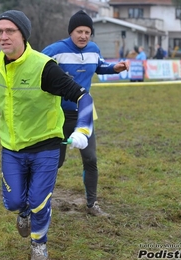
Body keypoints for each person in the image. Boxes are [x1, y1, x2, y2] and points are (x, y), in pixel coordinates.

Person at [0, 10, 94, 260]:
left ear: (24, 34)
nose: (4, 37)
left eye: (10, 31)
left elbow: (84, 97)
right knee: (15, 202)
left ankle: (39, 244)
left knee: (39, 202)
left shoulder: (44, 67)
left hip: (46, 146)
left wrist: (83, 129)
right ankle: (23, 213)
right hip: (11, 146)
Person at [42, 10, 129, 216]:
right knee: (56, 162)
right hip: (58, 115)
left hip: (84, 114)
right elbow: (35, 68)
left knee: (90, 159)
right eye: (79, 31)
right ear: (71, 31)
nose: (83, 36)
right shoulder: (54, 51)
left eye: (87, 32)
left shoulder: (93, 49)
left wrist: (114, 68)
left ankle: (91, 205)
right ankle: (42, 202)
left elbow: (99, 66)